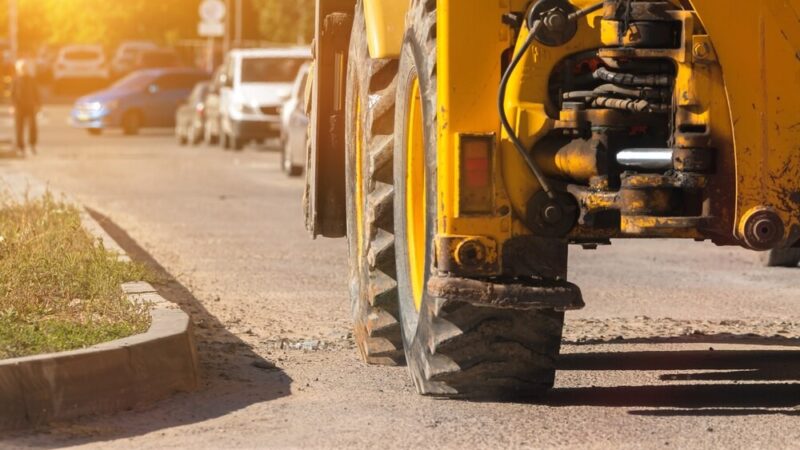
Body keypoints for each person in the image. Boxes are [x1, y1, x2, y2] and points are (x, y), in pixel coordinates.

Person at [11, 59, 40, 156]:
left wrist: (38, 104)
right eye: (22, 67)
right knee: (19, 128)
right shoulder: (15, 80)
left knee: (33, 127)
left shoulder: (31, 79)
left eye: (25, 67)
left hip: (30, 106)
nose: (24, 69)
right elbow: (12, 94)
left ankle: (32, 144)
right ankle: (20, 147)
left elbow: (36, 92)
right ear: (18, 69)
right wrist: (12, 106)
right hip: (19, 106)